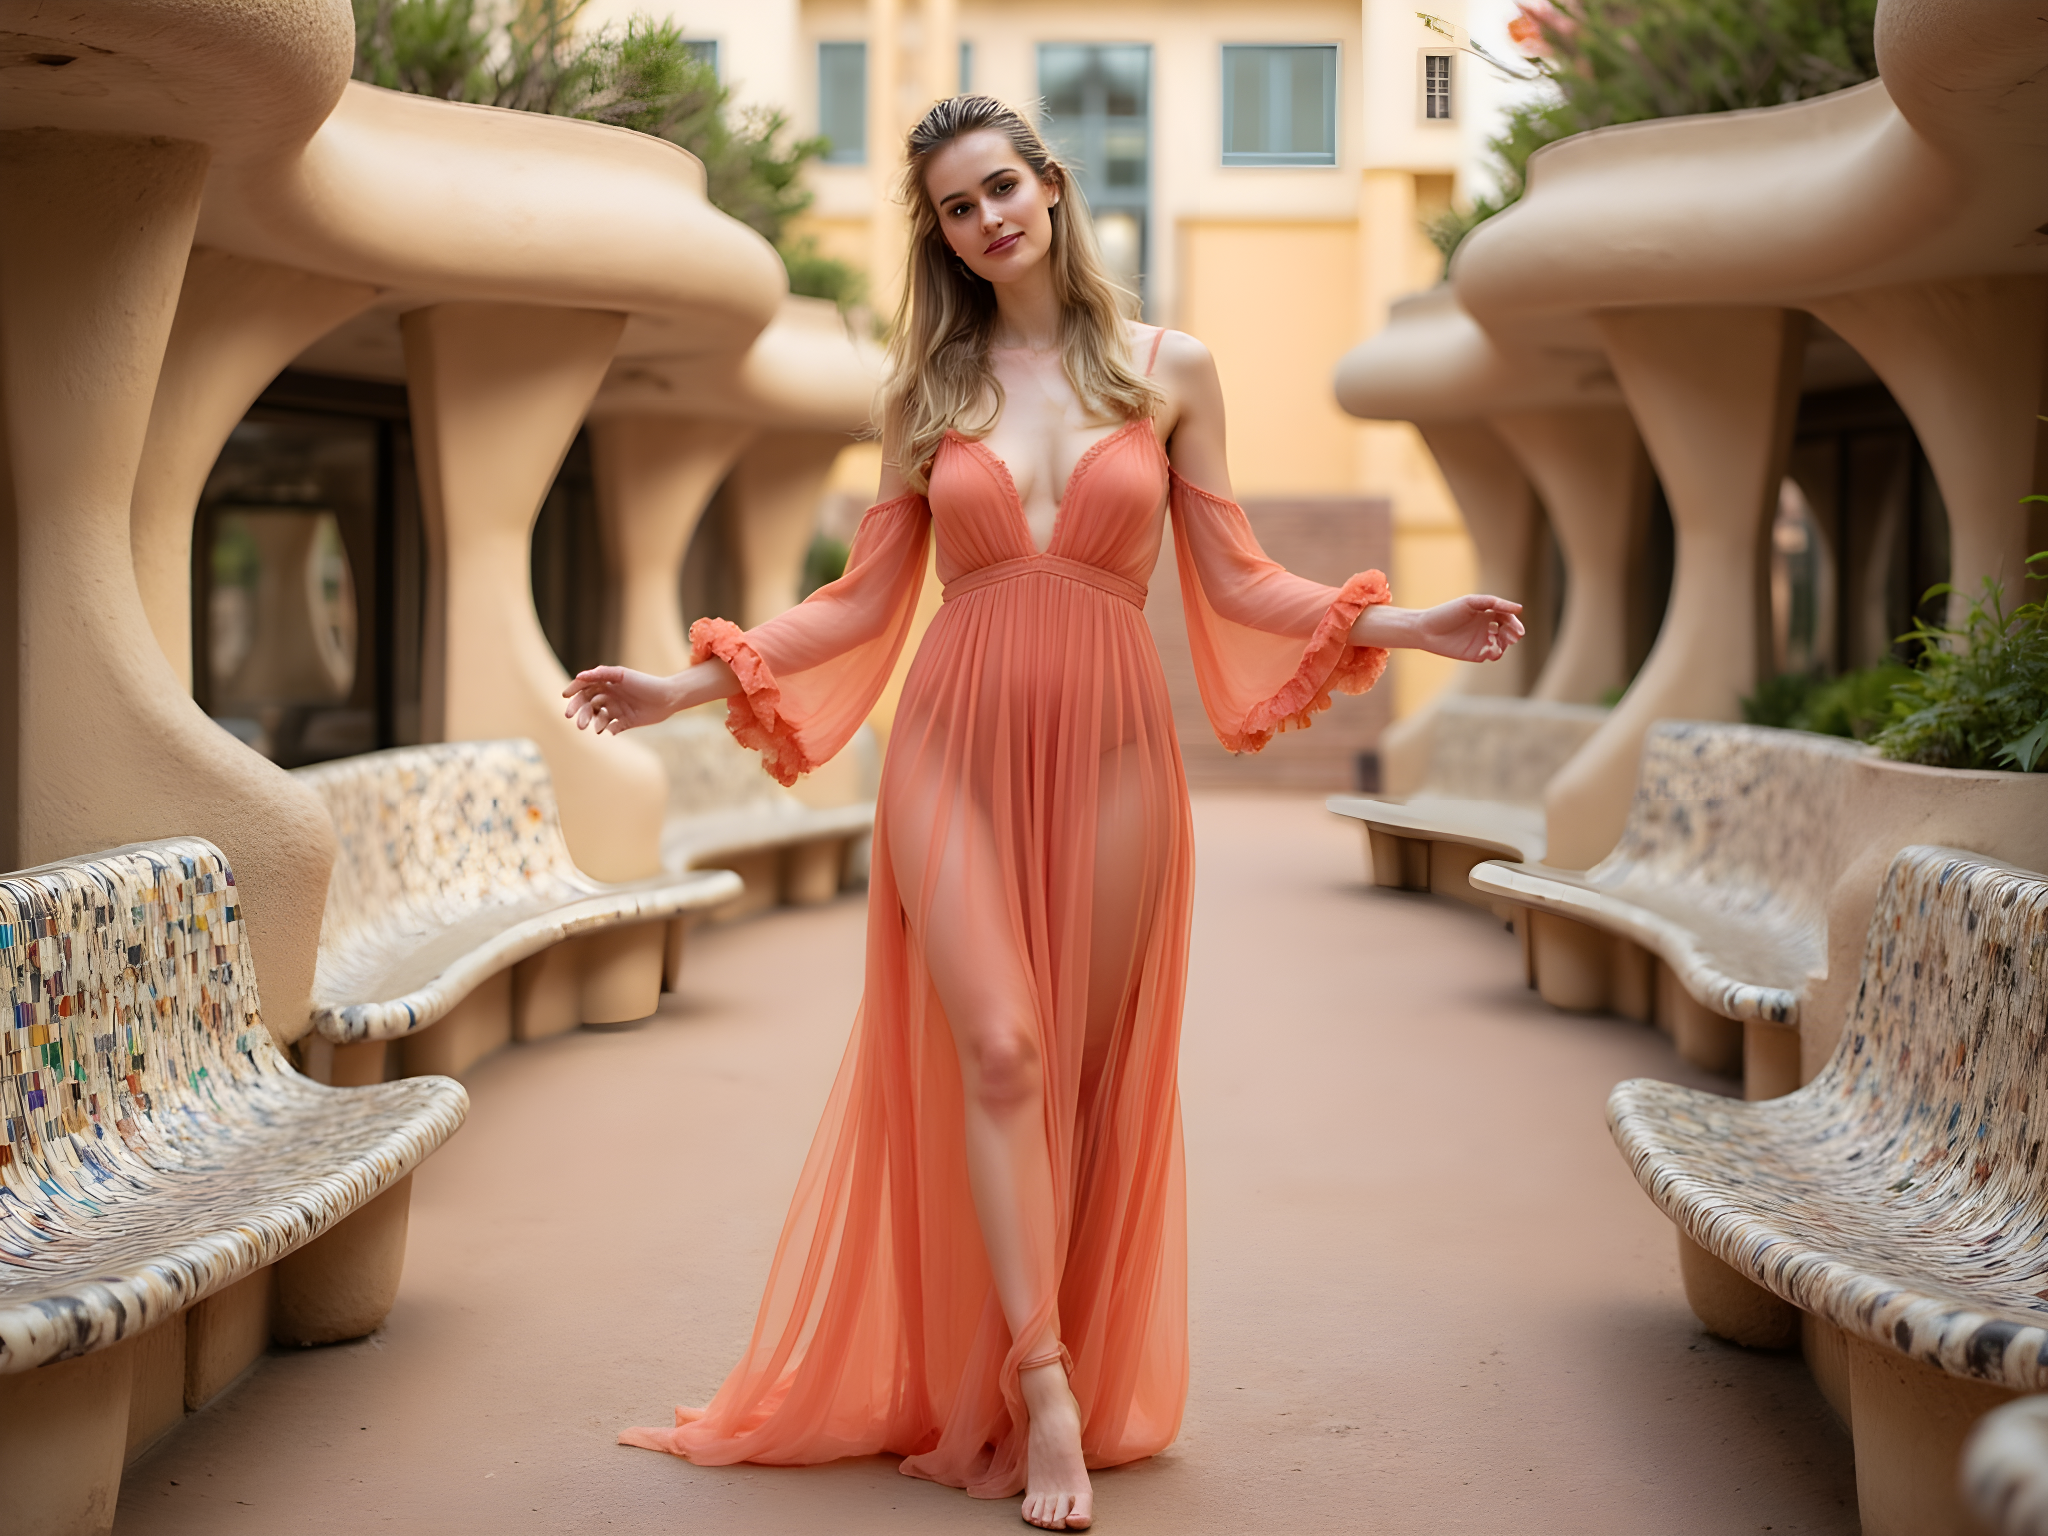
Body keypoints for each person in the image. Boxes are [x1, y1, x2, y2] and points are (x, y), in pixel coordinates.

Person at [564, 93, 1523, 1533]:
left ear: (1051, 187)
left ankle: (1043, 1352)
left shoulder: (1170, 369)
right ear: (942, 238)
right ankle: (1045, 1386)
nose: (986, 219)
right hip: (950, 745)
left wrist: (1406, 623)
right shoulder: (926, 392)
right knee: (1003, 1051)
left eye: (1001, 187)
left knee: (1076, 1069)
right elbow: (862, 603)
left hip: (1118, 754)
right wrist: (686, 684)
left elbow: (1241, 576)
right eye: (957, 208)